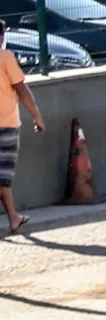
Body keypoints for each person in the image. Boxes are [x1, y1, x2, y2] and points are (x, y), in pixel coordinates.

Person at [0, 45, 48, 234]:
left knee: (3, 178)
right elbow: (21, 89)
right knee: (3, 177)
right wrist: (37, 116)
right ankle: (13, 218)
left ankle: (14, 218)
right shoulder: (5, 57)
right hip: (6, 125)